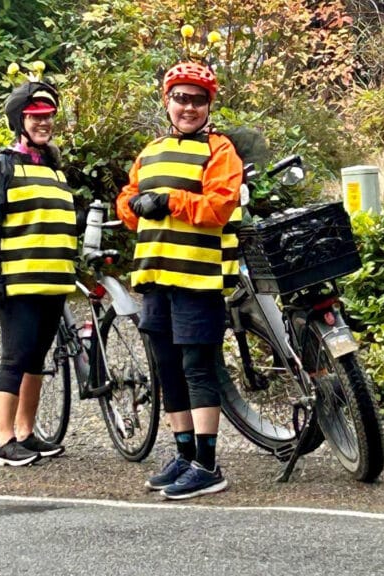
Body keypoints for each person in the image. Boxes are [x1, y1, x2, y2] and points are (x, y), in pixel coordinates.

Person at [116, 61, 243, 499]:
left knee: (197, 366)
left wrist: (170, 200)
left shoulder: (219, 149)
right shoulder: (149, 151)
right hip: (154, 274)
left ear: (209, 104)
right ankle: (184, 454)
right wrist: (136, 206)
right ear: (166, 100)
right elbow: (125, 204)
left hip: (198, 277)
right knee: (167, 367)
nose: (187, 107)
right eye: (180, 98)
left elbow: (219, 206)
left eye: (197, 99)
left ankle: (208, 465)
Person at [0, 80, 77, 466]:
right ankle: (3, 442)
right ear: (20, 119)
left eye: (48, 116)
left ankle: (26, 433)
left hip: (53, 279)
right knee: (15, 358)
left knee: (37, 358)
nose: (44, 122)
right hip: (18, 281)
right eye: (35, 116)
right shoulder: (2, 164)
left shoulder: (53, 166)